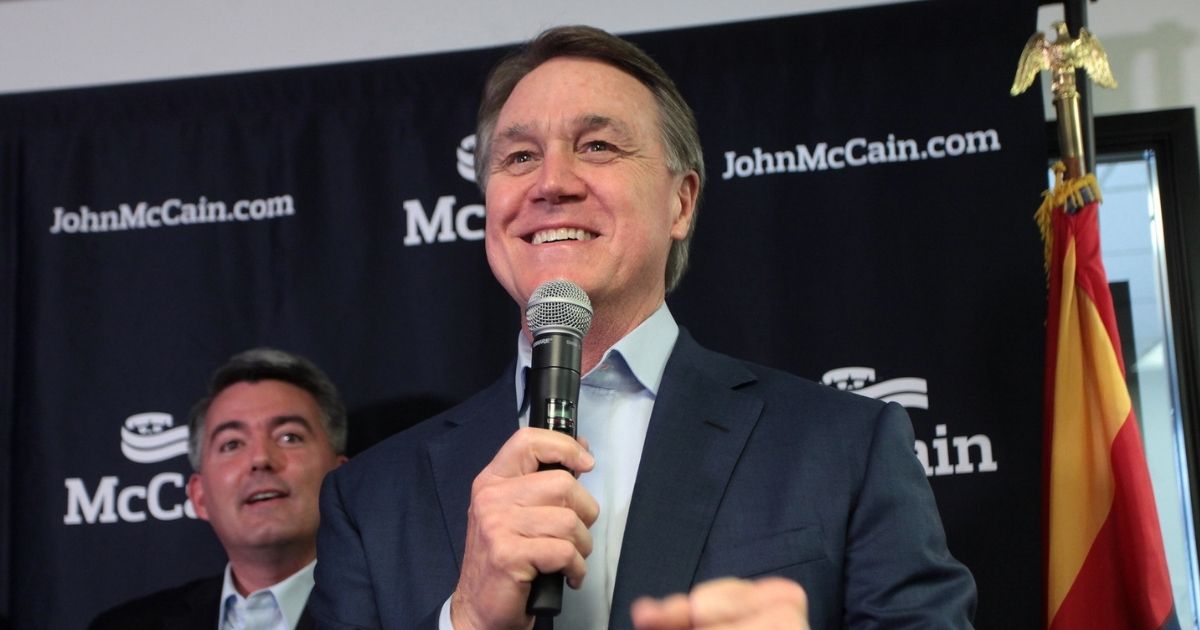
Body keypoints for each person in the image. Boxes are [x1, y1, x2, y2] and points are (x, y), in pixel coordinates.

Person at [311, 25, 976, 630]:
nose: (551, 183)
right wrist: (467, 622)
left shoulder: (845, 449)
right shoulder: (369, 501)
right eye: (518, 157)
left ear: (681, 201)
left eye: (597, 145)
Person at [90, 348, 348, 630]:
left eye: (289, 437)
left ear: (342, 479)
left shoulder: (395, 613)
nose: (260, 459)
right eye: (232, 444)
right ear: (199, 497)